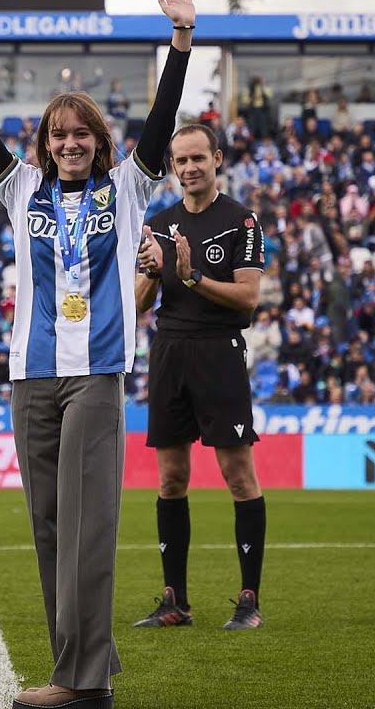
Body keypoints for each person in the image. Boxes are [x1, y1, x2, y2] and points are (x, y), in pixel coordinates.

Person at [0, 0, 193, 707]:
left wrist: (181, 37)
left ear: (97, 141)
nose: (70, 144)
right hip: (31, 378)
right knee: (50, 529)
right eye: (58, 136)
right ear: (44, 144)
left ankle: (82, 684)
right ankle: (76, 676)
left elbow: (164, 117)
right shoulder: (20, 191)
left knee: (88, 529)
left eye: (81, 134)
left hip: (96, 376)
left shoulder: (130, 187)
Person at [133, 122, 266, 632]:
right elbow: (141, 304)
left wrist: (191, 276)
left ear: (217, 161)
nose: (188, 168)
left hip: (219, 353)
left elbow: (248, 298)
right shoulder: (159, 223)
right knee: (171, 478)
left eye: (197, 159)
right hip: (168, 352)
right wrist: (151, 269)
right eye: (180, 161)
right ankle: (174, 601)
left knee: (238, 477)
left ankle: (248, 599)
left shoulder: (241, 220)